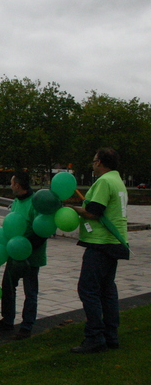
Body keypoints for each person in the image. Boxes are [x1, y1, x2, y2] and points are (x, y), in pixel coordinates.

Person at [68, 148, 129, 354]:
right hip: (114, 242)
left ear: (101, 162)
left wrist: (69, 209)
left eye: (94, 161)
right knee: (107, 290)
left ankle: (95, 336)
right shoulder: (118, 181)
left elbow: (93, 212)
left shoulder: (104, 181)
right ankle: (111, 335)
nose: (92, 164)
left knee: (88, 290)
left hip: (100, 243)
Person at [0, 171, 48, 340]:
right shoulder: (16, 202)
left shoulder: (36, 204)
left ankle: (27, 325)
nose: (10, 186)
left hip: (31, 256)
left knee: (30, 292)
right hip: (13, 254)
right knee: (8, 287)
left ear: (17, 184)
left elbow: (42, 230)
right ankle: (7, 319)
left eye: (11, 183)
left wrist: (25, 248)